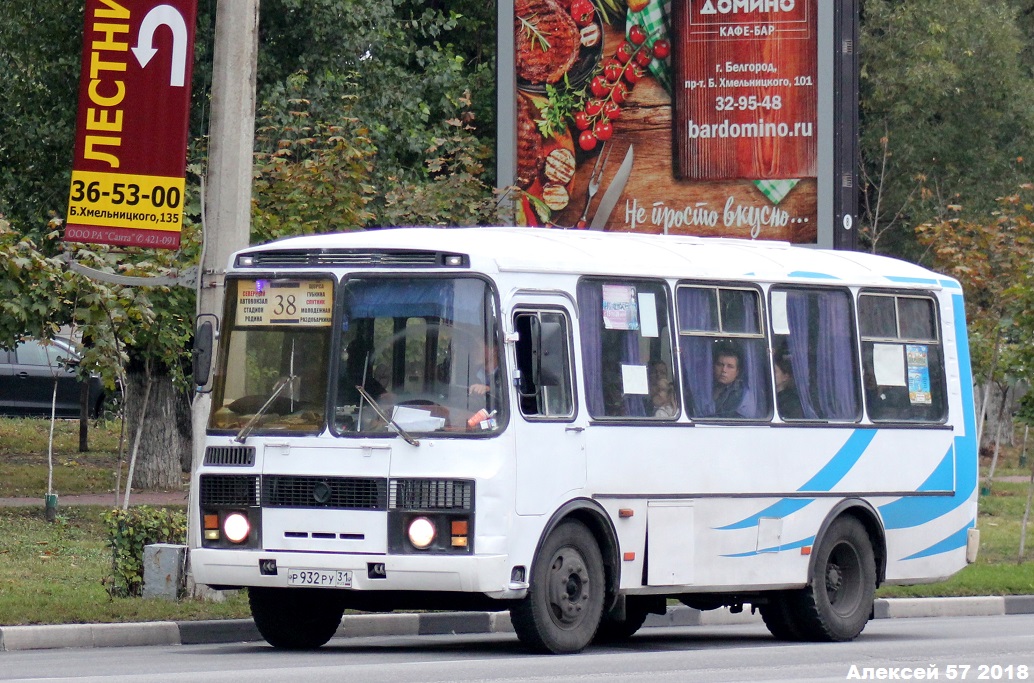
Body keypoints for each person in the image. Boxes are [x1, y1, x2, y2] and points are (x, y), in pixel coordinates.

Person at [712, 343, 745, 418]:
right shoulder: (706, 387)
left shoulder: (740, 394)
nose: (724, 370)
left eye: (730, 366)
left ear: (737, 372)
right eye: (720, 364)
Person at [774, 355, 804, 419]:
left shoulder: (791, 401)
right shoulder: (769, 397)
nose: (771, 374)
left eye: (775, 372)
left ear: (785, 377)